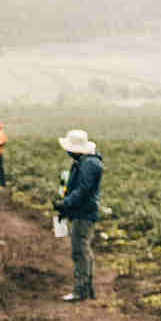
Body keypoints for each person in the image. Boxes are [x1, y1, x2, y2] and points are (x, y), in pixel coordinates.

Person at [55, 128, 103, 302]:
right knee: (83, 250)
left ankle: (81, 291)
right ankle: (86, 289)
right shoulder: (87, 162)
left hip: (83, 213)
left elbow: (82, 191)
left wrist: (65, 204)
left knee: (80, 251)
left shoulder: (88, 164)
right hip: (84, 211)